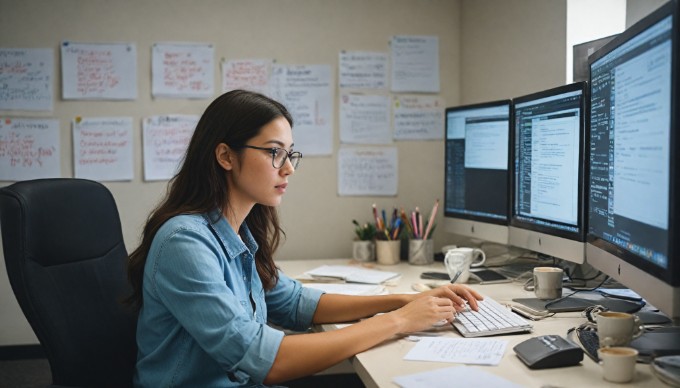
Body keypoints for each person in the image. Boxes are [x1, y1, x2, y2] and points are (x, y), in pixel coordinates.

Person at [126, 89, 483, 387]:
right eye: (273, 152)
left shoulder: (236, 233)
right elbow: (265, 360)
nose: (289, 168)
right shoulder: (185, 242)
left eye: (289, 153)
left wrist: (402, 301)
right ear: (225, 156)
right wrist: (400, 321)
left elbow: (297, 302)